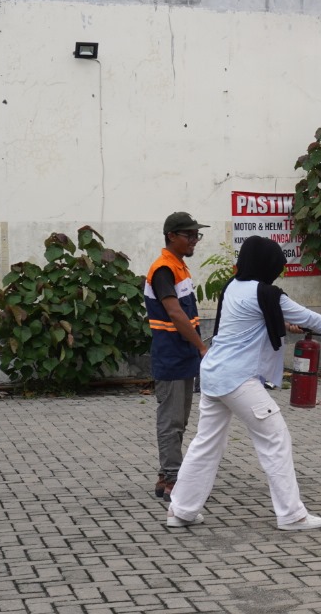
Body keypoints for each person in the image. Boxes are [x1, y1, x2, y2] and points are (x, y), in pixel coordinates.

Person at [166, 235, 321, 531]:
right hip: (237, 379)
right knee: (275, 439)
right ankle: (292, 515)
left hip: (213, 374)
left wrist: (281, 320)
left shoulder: (233, 287)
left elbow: (249, 321)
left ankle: (181, 511)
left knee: (206, 443)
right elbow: (315, 320)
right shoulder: (267, 294)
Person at [144, 211, 210, 502]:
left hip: (182, 355)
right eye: (190, 235)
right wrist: (201, 346)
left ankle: (166, 476)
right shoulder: (163, 270)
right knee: (171, 420)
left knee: (179, 420)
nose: (195, 240)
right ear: (172, 236)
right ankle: (172, 478)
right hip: (171, 354)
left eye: (197, 235)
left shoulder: (178, 267)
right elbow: (174, 313)